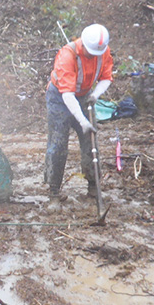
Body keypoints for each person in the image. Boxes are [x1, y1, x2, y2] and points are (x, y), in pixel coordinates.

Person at [44, 24, 114, 212]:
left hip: (84, 97)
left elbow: (107, 77)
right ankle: (54, 193)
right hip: (60, 98)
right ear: (83, 44)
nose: (94, 56)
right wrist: (82, 121)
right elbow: (67, 95)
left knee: (90, 143)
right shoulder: (67, 56)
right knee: (58, 145)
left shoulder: (103, 51)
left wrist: (95, 95)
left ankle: (93, 187)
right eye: (91, 53)